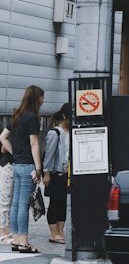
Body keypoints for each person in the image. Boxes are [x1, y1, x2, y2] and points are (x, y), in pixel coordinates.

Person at [0, 85, 45, 254]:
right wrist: (38, 167)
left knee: (16, 205)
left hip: (17, 165)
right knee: (24, 205)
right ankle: (24, 243)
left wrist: (15, 152)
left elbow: (2, 137)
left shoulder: (17, 116)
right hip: (27, 166)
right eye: (42, 97)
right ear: (35, 98)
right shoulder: (32, 117)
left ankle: (17, 240)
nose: (43, 100)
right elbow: (34, 144)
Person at [42, 104, 71, 244]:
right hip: (55, 174)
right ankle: (53, 233)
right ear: (65, 116)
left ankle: (60, 232)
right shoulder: (55, 133)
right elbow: (49, 155)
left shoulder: (72, 133)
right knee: (55, 203)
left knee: (64, 203)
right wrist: (46, 173)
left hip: (67, 174)